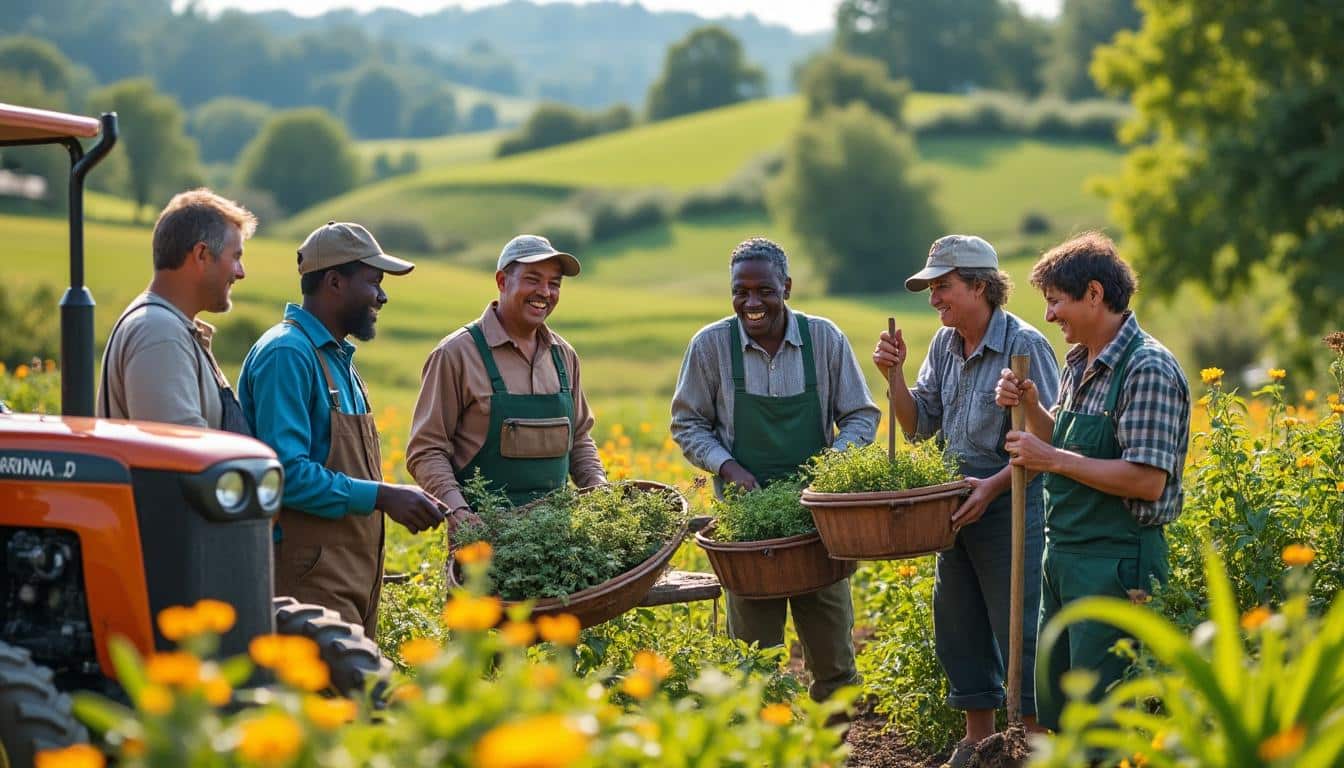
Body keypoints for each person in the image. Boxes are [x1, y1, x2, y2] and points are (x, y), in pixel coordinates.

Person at [872, 234, 1059, 766]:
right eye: (930, 288)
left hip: (1010, 502)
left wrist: (993, 486)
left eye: (943, 286)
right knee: (959, 622)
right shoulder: (943, 346)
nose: (934, 299)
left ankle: (1029, 741)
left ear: (981, 286)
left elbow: (1048, 440)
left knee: (1018, 622)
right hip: (952, 506)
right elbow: (919, 427)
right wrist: (894, 377)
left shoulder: (1025, 346)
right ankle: (978, 741)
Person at [994, 232, 1190, 732]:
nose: (1050, 316)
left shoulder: (1147, 367)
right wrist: (1031, 406)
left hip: (1117, 564)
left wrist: (1051, 458)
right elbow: (1058, 438)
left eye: (1056, 302)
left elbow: (1146, 480)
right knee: (1059, 715)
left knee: (1103, 725)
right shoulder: (1079, 361)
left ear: (1095, 294)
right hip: (1063, 559)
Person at [670, 236, 879, 703]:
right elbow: (687, 422)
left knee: (834, 665)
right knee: (753, 667)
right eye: (740, 291)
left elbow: (861, 416)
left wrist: (831, 468)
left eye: (764, 290)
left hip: (819, 529)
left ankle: (832, 754)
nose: (752, 302)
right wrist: (728, 467)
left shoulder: (823, 339)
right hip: (747, 534)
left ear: (786, 286)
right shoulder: (710, 347)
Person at [239, 221, 445, 638]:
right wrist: (384, 495)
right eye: (373, 282)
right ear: (334, 281)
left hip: (349, 580)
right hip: (306, 584)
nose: (382, 296)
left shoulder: (337, 359)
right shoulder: (287, 354)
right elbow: (286, 475)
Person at [406, 234, 606, 524]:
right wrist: (458, 512)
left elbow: (580, 439)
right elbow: (426, 451)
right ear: (502, 281)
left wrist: (599, 488)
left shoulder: (564, 356)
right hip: (482, 540)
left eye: (554, 283)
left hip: (560, 543)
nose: (545, 292)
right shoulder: (456, 354)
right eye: (533, 279)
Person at [99, 188, 255, 433]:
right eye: (235, 257)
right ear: (202, 254)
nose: (240, 272)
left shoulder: (169, 328)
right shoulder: (159, 333)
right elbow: (180, 459)